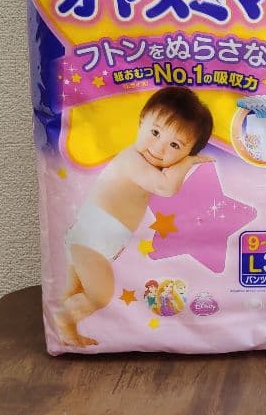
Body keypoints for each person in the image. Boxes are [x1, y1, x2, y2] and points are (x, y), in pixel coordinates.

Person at [55, 87, 213, 345]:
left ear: (187, 150)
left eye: (175, 145)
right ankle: (64, 321)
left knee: (76, 290)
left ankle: (62, 331)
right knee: (99, 295)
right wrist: (186, 163)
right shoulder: (131, 160)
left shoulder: (144, 164)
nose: (159, 148)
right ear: (141, 122)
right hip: (93, 238)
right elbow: (166, 187)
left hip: (96, 239)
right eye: (155, 132)